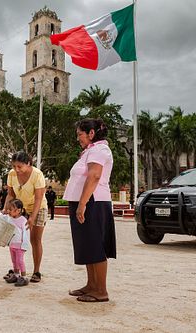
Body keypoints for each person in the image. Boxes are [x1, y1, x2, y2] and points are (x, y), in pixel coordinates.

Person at [63, 118, 116, 303]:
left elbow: (94, 176)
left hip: (94, 201)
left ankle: (101, 290)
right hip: (85, 201)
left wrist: (82, 203)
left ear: (91, 133)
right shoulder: (90, 151)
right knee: (86, 244)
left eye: (80, 134)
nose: (78, 138)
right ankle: (91, 285)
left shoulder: (100, 150)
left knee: (96, 244)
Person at [3, 151, 48, 283]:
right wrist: (6, 209)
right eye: (14, 166)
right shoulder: (12, 174)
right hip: (19, 207)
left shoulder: (37, 175)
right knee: (15, 238)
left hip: (38, 208)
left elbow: (39, 198)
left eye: (20, 167)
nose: (17, 170)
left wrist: (32, 218)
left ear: (28, 164)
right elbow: (10, 194)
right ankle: (16, 271)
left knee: (35, 239)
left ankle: (36, 271)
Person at [2, 199, 30, 287]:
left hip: (20, 246)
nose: (8, 211)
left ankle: (24, 277)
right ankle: (16, 275)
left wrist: (24, 245)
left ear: (18, 210)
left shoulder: (23, 220)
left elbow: (26, 234)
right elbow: (2, 217)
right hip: (12, 245)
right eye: (8, 209)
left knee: (20, 261)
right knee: (14, 261)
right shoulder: (9, 218)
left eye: (10, 209)